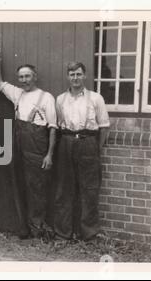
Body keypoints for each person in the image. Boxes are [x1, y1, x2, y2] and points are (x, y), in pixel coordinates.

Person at [0, 42, 57, 239]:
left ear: (35, 77)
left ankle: (37, 227)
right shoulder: (17, 94)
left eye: (27, 76)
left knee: (36, 188)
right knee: (19, 185)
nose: (24, 80)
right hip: (19, 145)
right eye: (21, 77)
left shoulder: (46, 98)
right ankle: (24, 227)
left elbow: (53, 128)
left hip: (37, 148)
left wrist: (49, 155)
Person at [54, 61, 110, 241]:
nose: (75, 78)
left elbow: (104, 127)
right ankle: (63, 233)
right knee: (64, 189)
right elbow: (58, 124)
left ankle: (89, 234)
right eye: (72, 74)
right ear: (67, 77)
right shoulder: (60, 99)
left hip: (88, 143)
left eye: (78, 74)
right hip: (67, 142)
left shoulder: (96, 98)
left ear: (84, 75)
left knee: (89, 189)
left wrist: (96, 150)